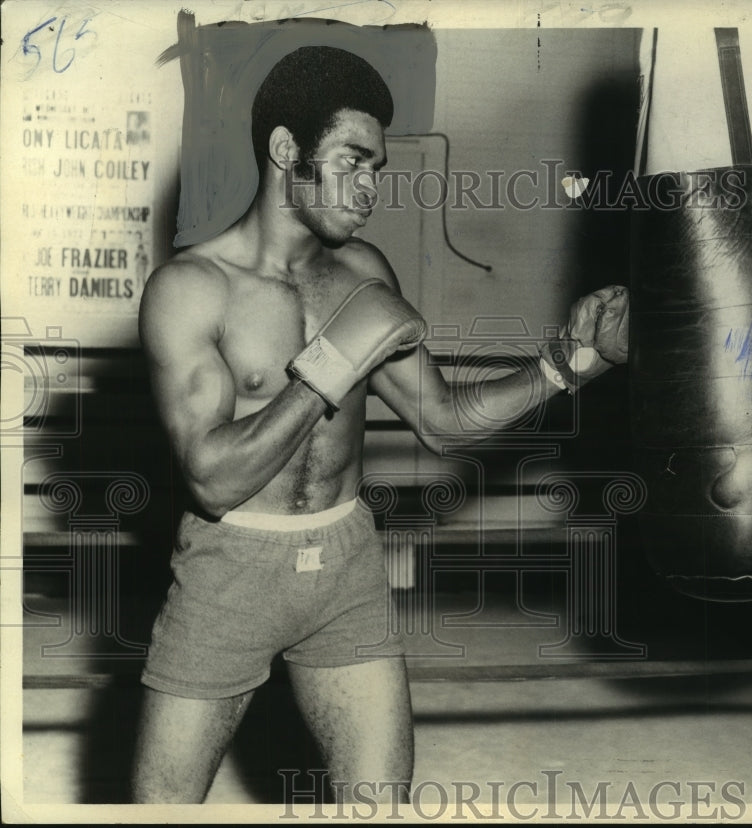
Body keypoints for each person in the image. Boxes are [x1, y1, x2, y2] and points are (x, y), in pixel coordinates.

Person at [132, 46, 628, 804]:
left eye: (377, 169)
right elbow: (212, 477)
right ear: (285, 150)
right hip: (228, 575)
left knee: (381, 808)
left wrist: (575, 361)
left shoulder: (363, 274)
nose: (369, 188)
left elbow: (446, 421)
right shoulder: (190, 289)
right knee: (158, 813)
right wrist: (331, 363)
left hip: (345, 568)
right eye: (351, 161)